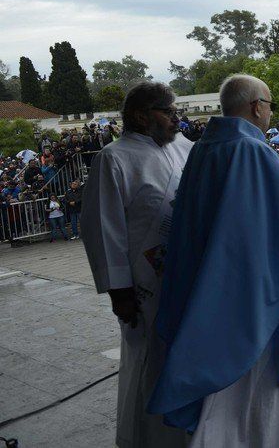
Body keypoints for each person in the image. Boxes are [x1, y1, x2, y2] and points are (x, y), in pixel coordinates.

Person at [148, 74, 279, 446]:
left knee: (218, 404)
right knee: (252, 397)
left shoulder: (207, 146)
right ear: (256, 106)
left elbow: (242, 206)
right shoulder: (252, 150)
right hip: (246, 299)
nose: (269, 113)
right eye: (270, 105)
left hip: (208, 287)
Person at [82, 81, 193, 448]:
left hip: (186, 276)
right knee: (150, 362)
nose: (177, 119)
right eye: (169, 112)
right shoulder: (113, 158)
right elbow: (103, 228)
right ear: (142, 115)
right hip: (144, 286)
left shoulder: (182, 147)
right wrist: (120, 291)